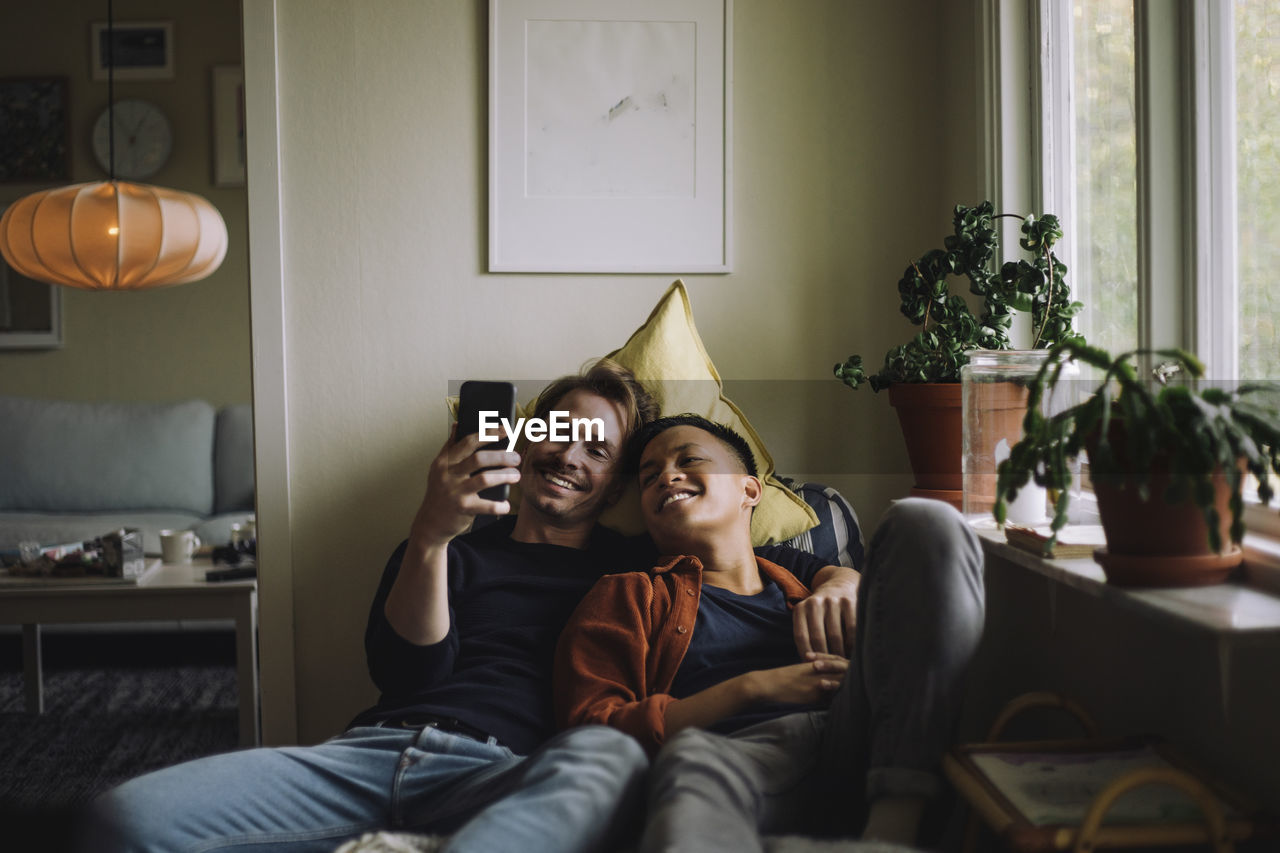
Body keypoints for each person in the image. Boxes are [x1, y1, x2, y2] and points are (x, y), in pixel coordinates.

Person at [88, 360, 658, 853]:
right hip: (369, 756)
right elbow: (406, 675)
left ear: (615, 488)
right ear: (526, 439)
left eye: (596, 449)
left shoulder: (640, 573)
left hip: (506, 776)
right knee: (121, 820)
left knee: (610, 758)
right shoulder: (445, 548)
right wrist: (431, 533)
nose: (567, 454)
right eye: (558, 431)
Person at [554, 414, 985, 851]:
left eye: (690, 459)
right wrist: (753, 688)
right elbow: (594, 729)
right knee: (689, 761)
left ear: (749, 489)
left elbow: (902, 601)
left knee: (925, 519)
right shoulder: (627, 593)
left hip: (859, 736)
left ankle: (896, 827)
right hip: (734, 759)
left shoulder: (803, 576)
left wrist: (843, 583)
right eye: (649, 478)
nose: (667, 476)